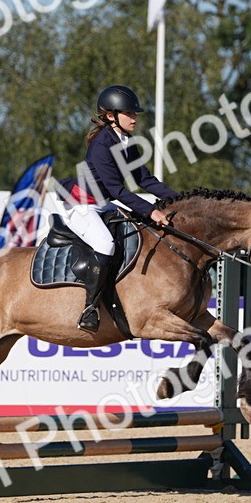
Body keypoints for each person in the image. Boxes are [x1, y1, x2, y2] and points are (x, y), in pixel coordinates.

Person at [59, 85, 178, 331]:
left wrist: (182, 199)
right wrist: (151, 210)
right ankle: (89, 309)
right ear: (111, 116)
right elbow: (117, 189)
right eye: (129, 113)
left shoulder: (127, 141)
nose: (135, 118)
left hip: (103, 203)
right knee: (106, 244)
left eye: (135, 114)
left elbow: (145, 180)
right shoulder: (102, 144)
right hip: (81, 205)